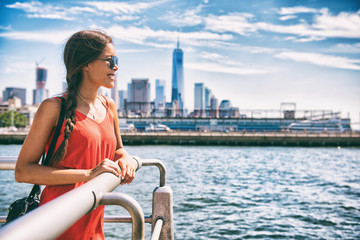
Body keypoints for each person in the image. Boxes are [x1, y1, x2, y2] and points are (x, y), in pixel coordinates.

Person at [15, 30, 138, 239]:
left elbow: (118, 148)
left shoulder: (109, 106)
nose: (116, 67)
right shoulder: (53, 108)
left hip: (95, 226)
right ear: (86, 64)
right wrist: (88, 175)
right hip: (57, 222)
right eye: (110, 60)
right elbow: (23, 171)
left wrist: (126, 159)